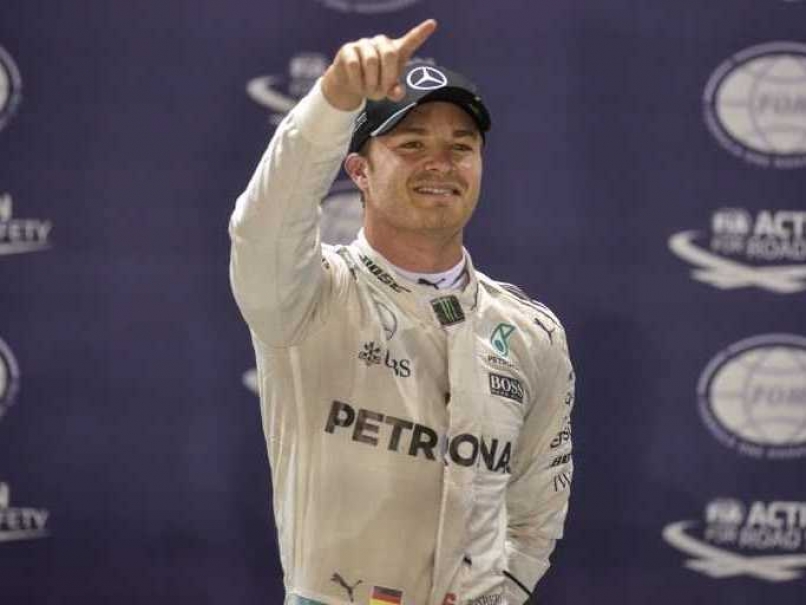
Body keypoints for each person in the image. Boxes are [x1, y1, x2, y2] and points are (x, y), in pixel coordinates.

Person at [229, 19, 575, 605]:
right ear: (359, 170)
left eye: (460, 147)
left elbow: (536, 512)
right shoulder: (311, 295)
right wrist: (333, 100)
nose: (439, 163)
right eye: (411, 144)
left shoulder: (531, 333)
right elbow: (263, 225)